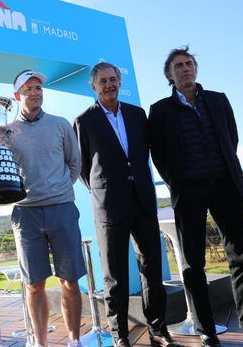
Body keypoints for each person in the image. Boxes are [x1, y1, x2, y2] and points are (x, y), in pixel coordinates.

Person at [148, 47, 243, 347]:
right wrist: (177, 182)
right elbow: (158, 154)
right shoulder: (160, 110)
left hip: (225, 186)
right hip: (189, 192)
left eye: (189, 64)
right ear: (169, 75)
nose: (186, 69)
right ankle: (205, 329)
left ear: (195, 68)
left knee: (242, 259)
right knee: (193, 263)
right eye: (179, 66)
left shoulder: (218, 100)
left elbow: (230, 138)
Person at [73, 62, 177, 347]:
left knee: (152, 270)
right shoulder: (84, 120)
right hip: (110, 207)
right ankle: (120, 336)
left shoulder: (137, 114)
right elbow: (83, 168)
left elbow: (145, 154)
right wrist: (105, 189)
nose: (109, 85)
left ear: (119, 82)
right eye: (103, 81)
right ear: (93, 86)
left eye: (113, 79)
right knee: (115, 276)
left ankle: (159, 329)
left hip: (143, 201)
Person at [7, 70, 86, 347]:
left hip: (62, 208)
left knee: (70, 280)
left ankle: (74, 340)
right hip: (25, 213)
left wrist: (60, 188)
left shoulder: (61, 124)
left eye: (38, 88)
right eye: (28, 89)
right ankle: (40, 343)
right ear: (18, 95)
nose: (35, 92)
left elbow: (74, 163)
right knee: (34, 284)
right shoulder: (5, 131)